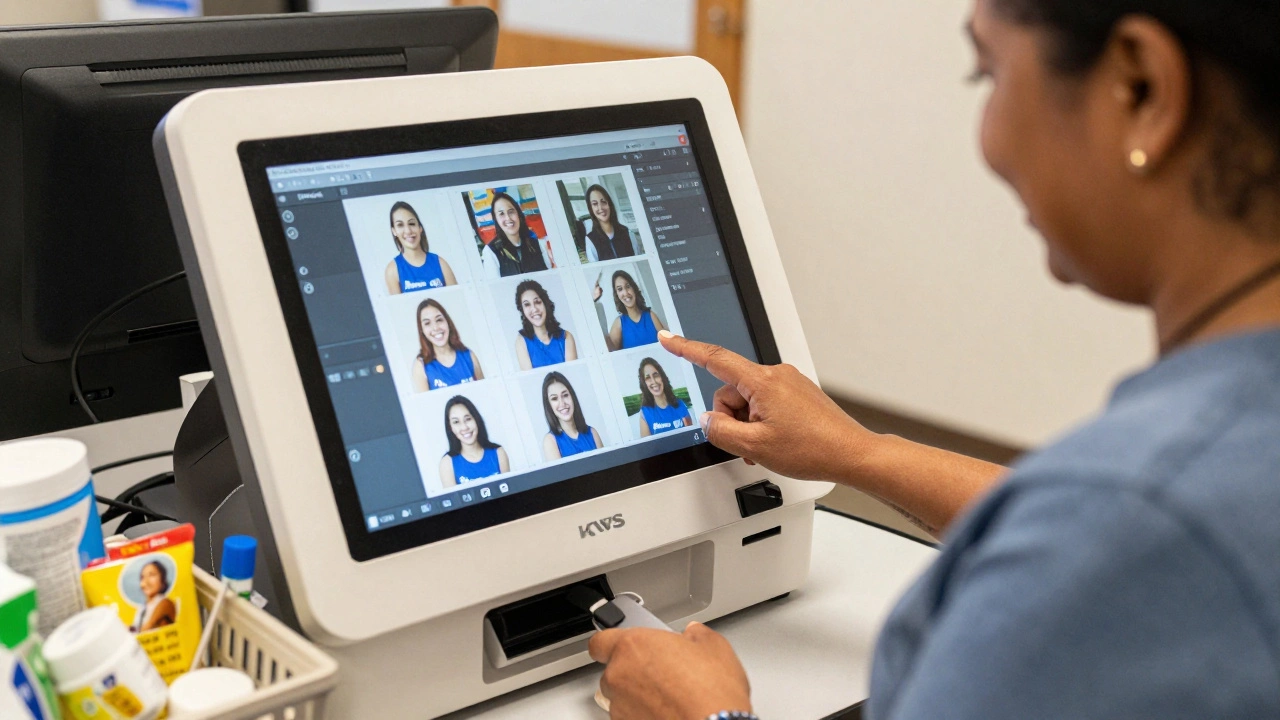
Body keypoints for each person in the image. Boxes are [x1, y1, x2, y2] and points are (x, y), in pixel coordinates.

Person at [587, 2, 1280, 719]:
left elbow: (1115, 532)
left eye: (990, 71)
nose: (988, 143)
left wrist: (710, 717)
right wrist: (860, 453)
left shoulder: (1126, 518)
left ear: (1143, 89)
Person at [383, 201, 457, 294]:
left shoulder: (441, 263)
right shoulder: (392, 270)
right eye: (400, 225)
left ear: (420, 228)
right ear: (394, 231)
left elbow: (458, 301)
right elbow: (398, 308)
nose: (408, 231)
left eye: (412, 224)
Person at [410, 299, 484, 392]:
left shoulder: (469, 355)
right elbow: (425, 405)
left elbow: (485, 394)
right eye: (427, 323)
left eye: (439, 320)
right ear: (422, 330)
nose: (435, 327)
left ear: (448, 322)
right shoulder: (421, 366)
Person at [438, 396, 510, 486]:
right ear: (450, 428)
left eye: (468, 419)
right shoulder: (447, 463)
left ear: (476, 419)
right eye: (456, 422)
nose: (464, 427)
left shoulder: (499, 453)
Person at [481, 191, 551, 278]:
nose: (508, 218)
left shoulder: (538, 244)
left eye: (511, 212)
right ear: (496, 219)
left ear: (518, 214)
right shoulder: (490, 252)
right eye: (501, 214)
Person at [593, 269, 667, 350]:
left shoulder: (651, 315)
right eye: (620, 289)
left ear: (634, 288)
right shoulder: (619, 324)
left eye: (628, 286)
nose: (625, 293)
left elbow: (668, 344)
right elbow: (611, 352)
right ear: (617, 294)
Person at [514, 280, 578, 370]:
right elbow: (530, 381)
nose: (534, 309)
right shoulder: (521, 342)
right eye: (527, 305)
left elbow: (574, 375)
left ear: (545, 304)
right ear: (522, 311)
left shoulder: (566, 337)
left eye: (538, 302)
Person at [540, 371, 604, 460]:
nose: (562, 403)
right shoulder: (550, 441)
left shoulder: (593, 433)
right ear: (549, 405)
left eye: (565, 395)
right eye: (554, 398)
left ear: (572, 397)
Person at [636, 358, 692, 437]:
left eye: (656, 375)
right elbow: (648, 448)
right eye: (648, 378)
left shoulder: (680, 405)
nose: (654, 382)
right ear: (644, 384)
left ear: (662, 377)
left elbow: (692, 437)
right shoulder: (645, 413)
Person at [583, 183, 637, 262]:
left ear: (610, 204)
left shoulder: (627, 233)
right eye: (595, 204)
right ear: (591, 209)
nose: (600, 208)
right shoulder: (590, 239)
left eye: (603, 202)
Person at [130, 560, 176, 633]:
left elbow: (146, 628)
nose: (146, 581)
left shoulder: (164, 603)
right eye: (142, 577)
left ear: (162, 580)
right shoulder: (142, 608)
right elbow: (136, 628)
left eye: (152, 575)